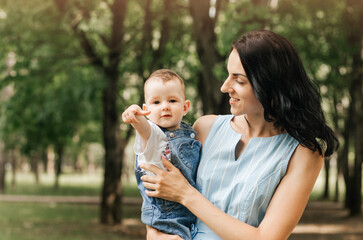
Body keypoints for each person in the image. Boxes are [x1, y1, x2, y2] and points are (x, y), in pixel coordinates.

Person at [139, 30, 339, 240]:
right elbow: (158, 191)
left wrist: (186, 195)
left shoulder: (303, 153)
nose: (225, 87)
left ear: (270, 84)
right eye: (228, 75)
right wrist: (156, 235)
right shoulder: (205, 128)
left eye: (239, 80)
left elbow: (267, 238)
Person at [122, 69, 201, 240]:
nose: (165, 106)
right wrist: (136, 116)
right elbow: (144, 128)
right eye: (156, 102)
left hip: (191, 216)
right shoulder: (154, 137)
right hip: (167, 221)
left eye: (172, 100)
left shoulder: (190, 134)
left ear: (185, 107)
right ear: (146, 109)